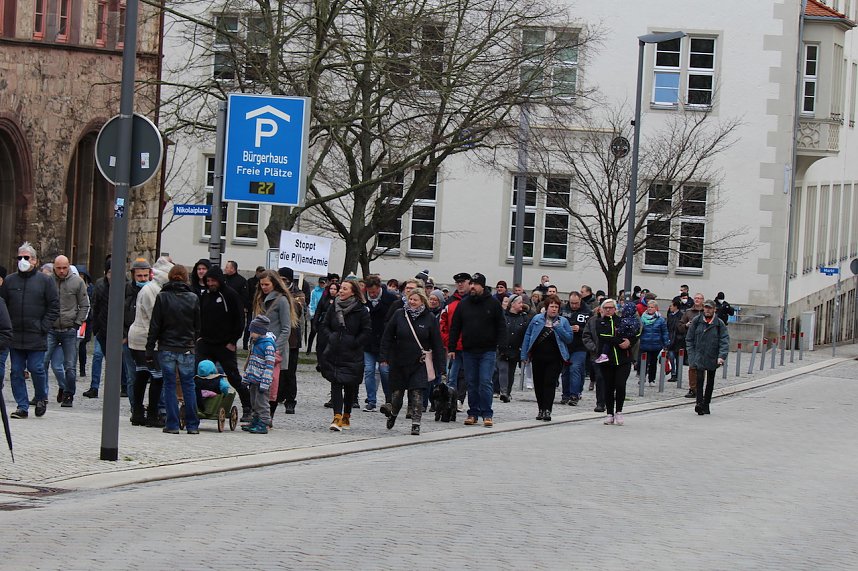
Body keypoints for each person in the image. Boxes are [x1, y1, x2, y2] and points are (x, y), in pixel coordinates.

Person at [1, 242, 60, 419]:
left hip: (36, 335)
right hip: (15, 335)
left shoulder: (45, 281)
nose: (22, 261)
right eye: (20, 258)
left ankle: (41, 397)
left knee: (37, 368)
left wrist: (43, 327)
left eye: (26, 258)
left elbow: (54, 306)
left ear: (34, 260)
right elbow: (2, 305)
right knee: (16, 371)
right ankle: (22, 406)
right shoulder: (10, 281)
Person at [379, 288, 445, 435]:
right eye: (410, 299)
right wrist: (383, 357)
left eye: (415, 299)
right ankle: (393, 414)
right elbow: (387, 337)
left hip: (419, 363)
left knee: (417, 394)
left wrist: (441, 366)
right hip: (399, 361)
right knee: (397, 395)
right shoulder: (399, 315)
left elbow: (437, 343)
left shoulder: (429, 318)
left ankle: (416, 423)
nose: (412, 302)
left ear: (422, 301)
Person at [146, 264, 200, 435]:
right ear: (186, 278)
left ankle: (172, 424)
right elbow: (198, 326)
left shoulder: (162, 297)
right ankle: (192, 425)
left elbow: (155, 326)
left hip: (167, 347)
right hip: (186, 347)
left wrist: (149, 348)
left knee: (169, 385)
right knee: (188, 385)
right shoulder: (193, 298)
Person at [448, 272, 507, 428]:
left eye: (475, 284)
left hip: (488, 350)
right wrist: (452, 347)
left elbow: (501, 325)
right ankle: (473, 413)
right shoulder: (464, 304)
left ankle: (487, 414)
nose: (472, 287)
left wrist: (501, 345)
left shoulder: (493, 303)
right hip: (468, 350)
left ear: (482, 286)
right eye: (471, 284)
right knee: (471, 382)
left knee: (485, 381)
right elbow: (455, 327)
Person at [198, 265, 253, 422]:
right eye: (208, 281)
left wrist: (233, 340)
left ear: (219, 280)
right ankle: (201, 405)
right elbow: (199, 315)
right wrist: (199, 336)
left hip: (225, 344)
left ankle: (247, 407)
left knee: (233, 377)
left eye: (213, 280)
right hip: (206, 342)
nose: (210, 284)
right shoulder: (206, 295)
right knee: (199, 374)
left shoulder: (230, 295)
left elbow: (239, 320)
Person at [319, 278, 371, 431]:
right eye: (341, 288)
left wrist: (354, 342)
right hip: (335, 351)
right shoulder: (333, 306)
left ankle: (346, 415)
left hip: (352, 354)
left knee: (349, 385)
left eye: (345, 289)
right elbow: (325, 325)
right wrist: (331, 337)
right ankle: (337, 416)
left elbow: (366, 331)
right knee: (335, 382)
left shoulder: (360, 310)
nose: (341, 291)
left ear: (353, 292)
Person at [127, 256, 172, 427]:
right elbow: (155, 317)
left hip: (140, 337)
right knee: (156, 376)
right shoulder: (152, 290)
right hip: (145, 337)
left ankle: (138, 412)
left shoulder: (151, 289)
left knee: (142, 373)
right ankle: (151, 413)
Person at [584, 299, 639, 426]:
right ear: (602, 309)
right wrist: (620, 341)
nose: (608, 310)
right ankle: (609, 413)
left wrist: (630, 342)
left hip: (623, 359)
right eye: (606, 307)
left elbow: (635, 332)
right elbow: (604, 335)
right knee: (608, 386)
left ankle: (619, 411)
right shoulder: (599, 321)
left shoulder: (622, 320)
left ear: (615, 309)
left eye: (611, 307)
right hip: (606, 359)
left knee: (620, 385)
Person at [45, 255, 89, 408]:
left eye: (65, 268)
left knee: (70, 366)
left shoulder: (77, 282)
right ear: (54, 267)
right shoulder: (48, 281)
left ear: (69, 266)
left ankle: (69, 393)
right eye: (59, 268)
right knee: (42, 362)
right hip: (51, 328)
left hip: (69, 328)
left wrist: (77, 323)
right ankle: (41, 395)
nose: (62, 271)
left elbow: (85, 304)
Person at [251, 270, 296, 417]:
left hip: (274, 349)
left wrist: (276, 348)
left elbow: (286, 328)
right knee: (255, 382)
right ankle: (257, 415)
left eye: (267, 284)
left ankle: (267, 417)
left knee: (271, 385)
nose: (264, 287)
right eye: (261, 284)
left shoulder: (281, 300)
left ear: (274, 283)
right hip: (259, 348)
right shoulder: (258, 299)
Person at [520, 294, 572, 421]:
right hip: (538, 357)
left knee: (549, 383)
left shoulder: (563, 321)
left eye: (556, 307)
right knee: (538, 383)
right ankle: (541, 409)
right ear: (546, 307)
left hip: (555, 358)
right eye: (551, 306)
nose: (554, 309)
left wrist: (558, 327)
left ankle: (548, 409)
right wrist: (524, 354)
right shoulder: (537, 319)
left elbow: (569, 338)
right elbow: (528, 335)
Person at [686, 300, 729, 415]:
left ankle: (706, 404)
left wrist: (721, 356)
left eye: (710, 308)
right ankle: (699, 403)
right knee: (699, 380)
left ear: (714, 309)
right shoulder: (697, 321)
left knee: (710, 381)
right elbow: (689, 339)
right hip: (699, 355)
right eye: (706, 308)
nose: (707, 310)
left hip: (712, 356)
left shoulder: (719, 324)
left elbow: (724, 341)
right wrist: (692, 354)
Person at [361, 274, 397, 412]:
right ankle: (371, 400)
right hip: (369, 342)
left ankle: (389, 400)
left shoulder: (391, 299)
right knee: (369, 371)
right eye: (370, 292)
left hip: (385, 343)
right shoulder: (363, 299)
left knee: (384, 371)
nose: (373, 294)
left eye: (375, 292)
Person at [242, 315, 277, 434]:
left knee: (262, 403)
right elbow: (251, 361)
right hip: (253, 379)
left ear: (260, 331)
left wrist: (265, 382)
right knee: (254, 402)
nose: (250, 333)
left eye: (252, 331)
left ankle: (264, 422)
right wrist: (246, 377)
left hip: (262, 381)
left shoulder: (268, 345)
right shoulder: (254, 342)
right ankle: (256, 420)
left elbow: (269, 365)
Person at [560, 291, 592, 405]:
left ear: (580, 300)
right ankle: (565, 394)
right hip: (565, 346)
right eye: (572, 303)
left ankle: (574, 395)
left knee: (575, 368)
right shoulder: (563, 310)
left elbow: (591, 330)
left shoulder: (587, 312)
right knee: (565, 371)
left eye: (576, 303)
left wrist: (580, 329)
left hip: (580, 346)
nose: (574, 305)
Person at [496, 294, 529, 402]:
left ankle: (508, 393)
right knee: (503, 369)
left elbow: (526, 333)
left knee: (511, 371)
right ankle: (503, 391)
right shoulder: (503, 316)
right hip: (503, 348)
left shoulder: (523, 317)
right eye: (519, 303)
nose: (521, 305)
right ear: (513, 304)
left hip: (515, 349)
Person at [677, 293, 705, 398]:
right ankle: (693, 388)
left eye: (699, 298)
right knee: (692, 366)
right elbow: (680, 326)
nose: (697, 300)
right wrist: (686, 325)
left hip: (703, 342)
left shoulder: (706, 312)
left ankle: (700, 387)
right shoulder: (688, 312)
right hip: (692, 342)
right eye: (696, 298)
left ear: (703, 300)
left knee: (701, 366)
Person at [639, 300, 670, 386]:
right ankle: (642, 377)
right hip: (644, 344)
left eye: (652, 307)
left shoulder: (660, 320)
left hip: (656, 344)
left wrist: (666, 343)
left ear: (656, 308)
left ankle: (651, 379)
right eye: (648, 307)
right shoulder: (642, 318)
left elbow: (664, 332)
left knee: (653, 363)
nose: (650, 309)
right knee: (643, 363)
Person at [243, 266, 266, 350]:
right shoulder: (250, 281)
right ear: (256, 272)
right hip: (251, 306)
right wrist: (247, 305)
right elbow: (247, 294)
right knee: (249, 325)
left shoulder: (263, 282)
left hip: (260, 307)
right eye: (260, 272)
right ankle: (245, 343)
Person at [665, 300, 685, 382]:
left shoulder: (681, 315)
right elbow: (668, 327)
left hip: (678, 340)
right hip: (670, 339)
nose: (670, 307)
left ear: (676, 306)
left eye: (671, 306)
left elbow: (681, 328)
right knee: (671, 357)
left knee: (678, 358)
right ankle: (673, 373)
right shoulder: (670, 315)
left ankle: (678, 374)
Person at [306, 276, 327, 353]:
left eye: (323, 283)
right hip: (315, 315)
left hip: (323, 316)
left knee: (321, 333)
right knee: (313, 331)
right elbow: (311, 303)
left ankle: (318, 349)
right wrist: (312, 314)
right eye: (321, 282)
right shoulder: (314, 292)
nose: (322, 284)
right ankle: (309, 348)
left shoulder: (326, 292)